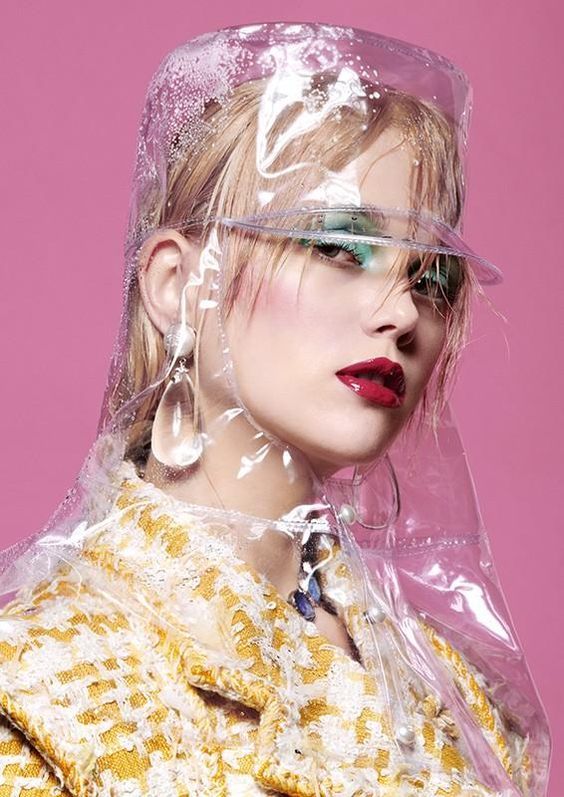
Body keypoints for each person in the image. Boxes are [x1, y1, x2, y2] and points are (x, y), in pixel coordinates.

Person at [0, 22, 550, 797]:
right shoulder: (43, 687)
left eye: (431, 277)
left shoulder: (464, 701)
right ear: (179, 285)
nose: (403, 314)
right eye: (340, 246)